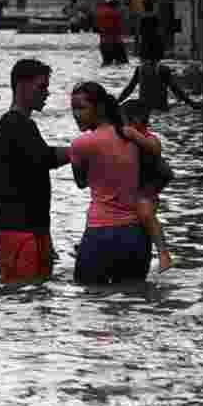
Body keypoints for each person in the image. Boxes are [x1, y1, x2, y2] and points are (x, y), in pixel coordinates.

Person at [0, 59, 71, 283]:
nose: (46, 93)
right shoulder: (13, 124)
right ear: (22, 86)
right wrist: (80, 151)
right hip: (18, 230)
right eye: (41, 87)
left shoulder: (23, 125)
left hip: (33, 227)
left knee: (35, 298)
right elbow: (45, 158)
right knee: (22, 297)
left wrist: (46, 235)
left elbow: (34, 180)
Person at [69, 82, 151, 285]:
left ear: (100, 108)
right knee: (134, 303)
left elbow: (81, 182)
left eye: (81, 108)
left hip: (100, 234)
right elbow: (163, 173)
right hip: (137, 235)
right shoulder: (132, 136)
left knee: (91, 301)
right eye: (73, 109)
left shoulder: (81, 144)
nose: (76, 114)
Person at [120, 100, 175, 272]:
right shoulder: (125, 140)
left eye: (124, 122)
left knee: (145, 213)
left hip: (147, 192)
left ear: (135, 121)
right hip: (132, 191)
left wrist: (134, 135)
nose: (122, 126)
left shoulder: (150, 139)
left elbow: (155, 149)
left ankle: (163, 254)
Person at [117, 36, 200, 113]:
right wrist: (192, 104)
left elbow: (129, 89)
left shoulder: (140, 69)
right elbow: (176, 90)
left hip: (143, 110)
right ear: (160, 53)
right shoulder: (163, 69)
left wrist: (117, 102)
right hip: (160, 108)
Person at [96, 0, 128, 66]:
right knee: (123, 64)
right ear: (113, 3)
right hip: (116, 43)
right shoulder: (116, 14)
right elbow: (120, 28)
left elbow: (97, 28)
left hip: (104, 44)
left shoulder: (100, 13)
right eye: (117, 2)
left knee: (106, 64)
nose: (118, 4)